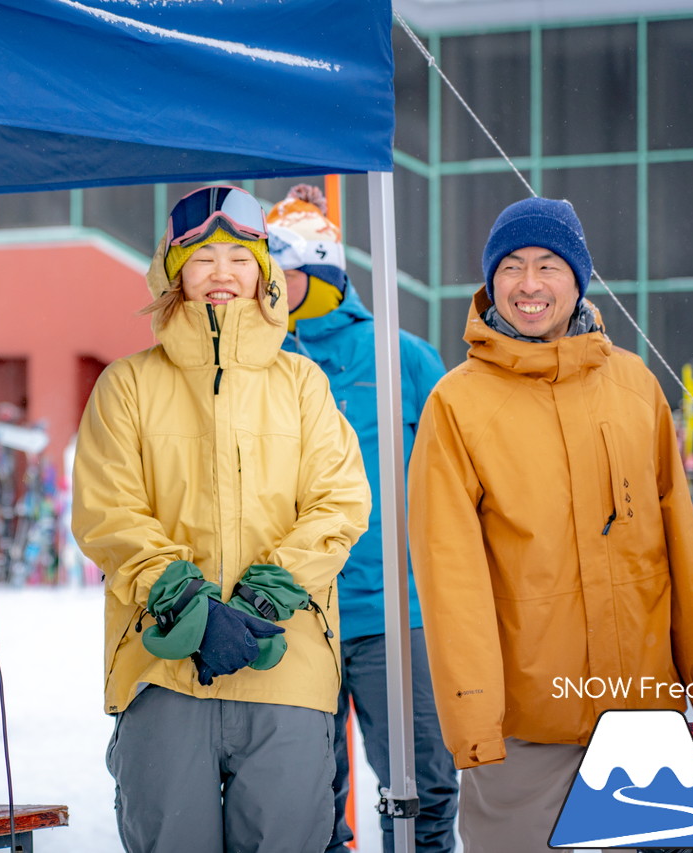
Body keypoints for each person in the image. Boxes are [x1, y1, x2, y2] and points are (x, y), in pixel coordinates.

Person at [407, 196, 693, 852]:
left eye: (549, 265)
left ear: (578, 278)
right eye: (513, 267)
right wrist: (476, 723)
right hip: (528, 732)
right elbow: (452, 580)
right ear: (491, 281)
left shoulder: (637, 387)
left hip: (644, 721)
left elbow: (682, 560)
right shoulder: (456, 405)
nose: (529, 284)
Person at [71, 184, 371, 853]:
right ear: (173, 273)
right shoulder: (127, 384)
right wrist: (187, 601)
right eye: (203, 259)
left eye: (239, 258)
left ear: (264, 273)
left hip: (285, 659)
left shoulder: (302, 384)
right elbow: (107, 508)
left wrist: (267, 594)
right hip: (163, 659)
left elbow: (339, 500)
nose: (222, 274)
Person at [265, 184, 457, 853]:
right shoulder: (264, 362)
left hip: (395, 616)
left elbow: (458, 480)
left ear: (318, 274)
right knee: (307, 790)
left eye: (276, 272)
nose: (261, 286)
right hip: (295, 611)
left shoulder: (400, 355)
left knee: (423, 781)